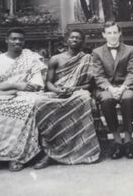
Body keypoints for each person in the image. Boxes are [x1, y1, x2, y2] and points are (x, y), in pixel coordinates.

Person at [33, 29, 100, 169]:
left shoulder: (86, 59)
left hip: (78, 91)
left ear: (82, 42)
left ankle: (81, 149)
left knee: (83, 99)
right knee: (40, 103)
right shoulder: (55, 59)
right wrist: (57, 90)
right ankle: (49, 151)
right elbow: (49, 83)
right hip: (57, 91)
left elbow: (89, 84)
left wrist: (73, 89)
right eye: (72, 37)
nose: (75, 40)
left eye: (78, 38)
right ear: (67, 40)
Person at [0, 27, 46, 173]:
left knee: (30, 104)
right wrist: (15, 85)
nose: (17, 41)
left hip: (25, 97)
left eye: (20, 39)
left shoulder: (31, 59)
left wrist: (17, 90)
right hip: (0, 96)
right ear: (6, 40)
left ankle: (17, 156)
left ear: (24, 42)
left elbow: (36, 86)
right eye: (13, 38)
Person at [92, 21, 133, 159]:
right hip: (107, 87)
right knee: (106, 99)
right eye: (109, 33)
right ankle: (118, 141)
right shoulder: (97, 52)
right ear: (104, 35)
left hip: (127, 85)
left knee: (128, 98)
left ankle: (129, 141)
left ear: (119, 33)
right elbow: (98, 75)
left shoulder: (130, 49)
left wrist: (123, 87)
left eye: (115, 32)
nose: (112, 36)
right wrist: (111, 89)